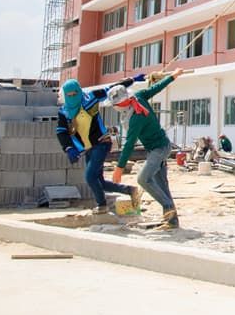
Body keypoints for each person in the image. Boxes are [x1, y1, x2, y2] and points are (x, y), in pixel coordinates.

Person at [55, 75, 144, 214]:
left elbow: (112, 88)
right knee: (99, 182)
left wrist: (132, 80)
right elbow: (61, 132)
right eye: (69, 95)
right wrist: (68, 148)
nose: (72, 97)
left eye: (75, 93)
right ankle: (130, 190)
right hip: (87, 148)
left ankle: (102, 205)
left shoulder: (90, 98)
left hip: (102, 142)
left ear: (79, 91)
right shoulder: (64, 112)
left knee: (90, 177)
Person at [111, 69, 184, 229]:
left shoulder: (136, 117)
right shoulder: (139, 97)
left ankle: (168, 207)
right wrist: (173, 76)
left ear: (121, 103)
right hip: (157, 147)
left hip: (160, 148)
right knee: (162, 186)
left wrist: (119, 168)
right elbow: (156, 88)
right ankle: (172, 221)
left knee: (143, 179)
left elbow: (129, 144)